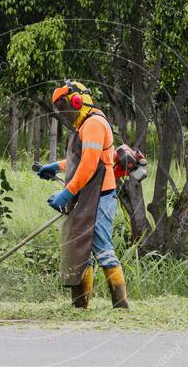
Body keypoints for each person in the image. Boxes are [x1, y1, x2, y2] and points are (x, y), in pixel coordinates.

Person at [37, 80, 129, 309]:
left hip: (100, 194)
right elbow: (80, 161)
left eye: (65, 104)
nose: (64, 111)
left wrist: (66, 193)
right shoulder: (85, 125)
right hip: (89, 193)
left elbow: (89, 165)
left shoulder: (95, 123)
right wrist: (56, 167)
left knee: (101, 246)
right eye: (60, 107)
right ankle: (80, 307)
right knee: (81, 247)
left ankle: (121, 305)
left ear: (78, 100)